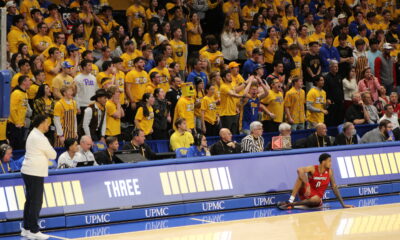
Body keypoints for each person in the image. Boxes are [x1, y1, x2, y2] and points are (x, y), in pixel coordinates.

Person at [20, 114, 57, 240]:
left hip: (29, 171)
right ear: (41, 123)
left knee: (30, 201)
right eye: (47, 122)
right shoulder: (39, 137)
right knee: (36, 202)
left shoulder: (34, 134)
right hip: (34, 172)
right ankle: (34, 231)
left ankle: (26, 229)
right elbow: (53, 154)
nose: (48, 125)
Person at [277, 153, 353, 209]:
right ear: (323, 162)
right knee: (301, 176)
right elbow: (299, 170)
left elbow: (334, 187)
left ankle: (292, 204)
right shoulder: (313, 168)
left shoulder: (330, 172)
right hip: (307, 193)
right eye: (329, 161)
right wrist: (307, 185)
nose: (331, 163)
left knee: (316, 199)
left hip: (316, 199)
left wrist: (343, 204)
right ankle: (290, 200)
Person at [7, 75, 31, 150]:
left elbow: (23, 109)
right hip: (14, 125)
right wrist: (17, 122)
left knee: (20, 146)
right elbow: (12, 109)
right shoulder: (16, 93)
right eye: (28, 80)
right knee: (14, 147)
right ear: (23, 82)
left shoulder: (25, 93)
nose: (30, 82)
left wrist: (23, 122)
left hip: (21, 125)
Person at [323, 60, 344, 127]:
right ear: (330, 67)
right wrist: (327, 99)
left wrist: (342, 98)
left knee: (340, 119)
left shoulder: (339, 76)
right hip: (331, 103)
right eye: (335, 67)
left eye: (337, 66)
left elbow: (341, 88)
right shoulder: (326, 78)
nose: (336, 68)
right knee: (331, 120)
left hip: (339, 102)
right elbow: (325, 90)